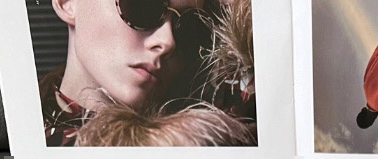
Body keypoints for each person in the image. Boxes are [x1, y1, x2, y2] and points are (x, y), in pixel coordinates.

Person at [40, 0, 256, 146]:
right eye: (143, 6)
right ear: (67, 3)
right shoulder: (23, 143)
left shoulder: (219, 133)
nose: (167, 42)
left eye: (190, 28)